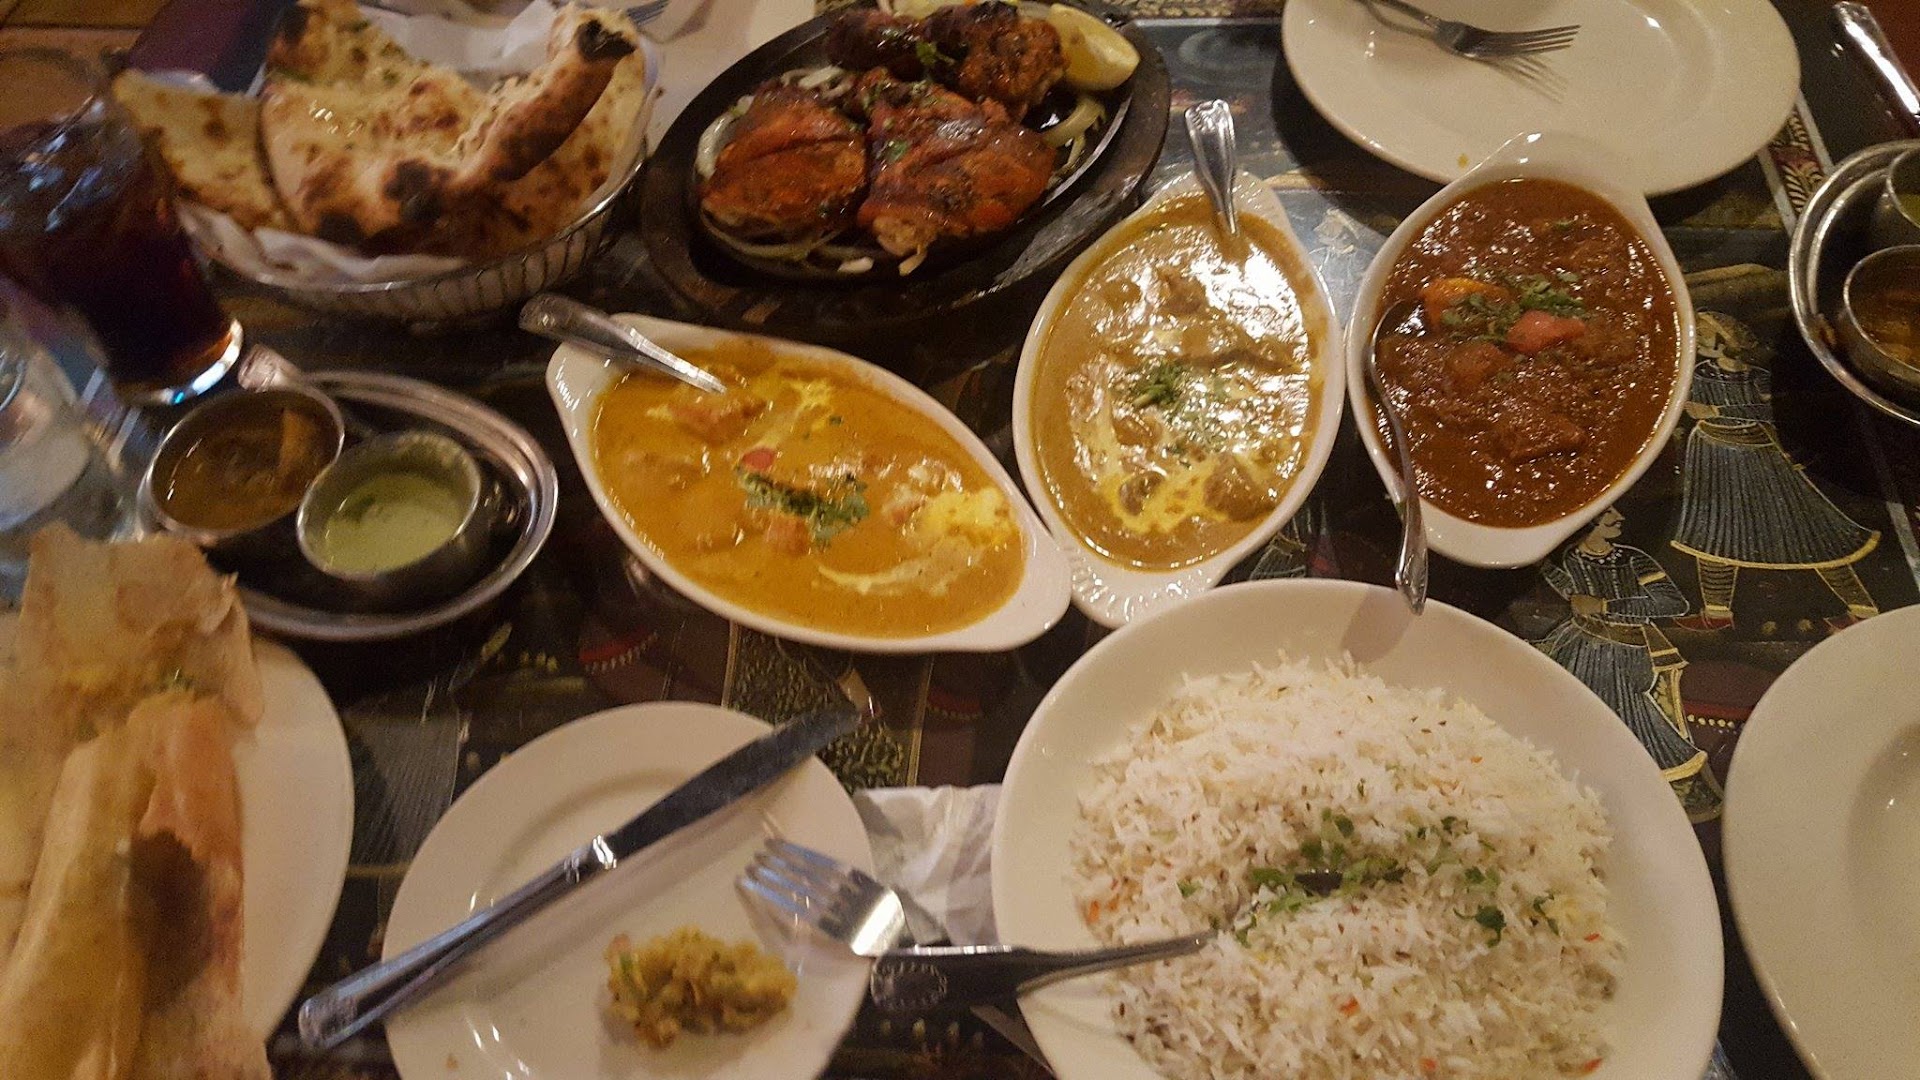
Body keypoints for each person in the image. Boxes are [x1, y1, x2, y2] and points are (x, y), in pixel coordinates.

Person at [1669, 312, 1879, 632]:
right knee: (1713, 530)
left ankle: (1862, 608)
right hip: (1714, 454)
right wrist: (1722, 412)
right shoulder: (1700, 375)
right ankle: (1717, 612)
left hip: (1762, 455)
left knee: (1808, 529)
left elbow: (1772, 409)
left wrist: (1722, 410)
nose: (1697, 341)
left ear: (1727, 341)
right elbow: (1693, 409)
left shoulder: (1757, 377)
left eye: (1705, 335)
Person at [1537, 509, 1721, 822]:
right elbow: (1572, 593)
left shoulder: (1632, 559)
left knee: (1631, 722)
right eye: (1608, 512)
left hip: (1625, 651)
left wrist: (1605, 604)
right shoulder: (1569, 557)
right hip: (1578, 642)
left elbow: (1673, 603)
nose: (1620, 516)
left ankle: (1656, 795)